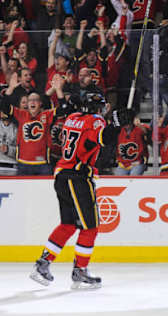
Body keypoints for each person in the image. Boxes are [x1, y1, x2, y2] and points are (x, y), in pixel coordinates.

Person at [29, 93, 129, 290]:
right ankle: (80, 270)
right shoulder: (96, 121)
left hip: (61, 175)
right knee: (90, 226)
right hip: (78, 177)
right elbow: (101, 139)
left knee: (67, 224)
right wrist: (116, 126)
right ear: (98, 108)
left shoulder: (71, 118)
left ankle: (43, 264)